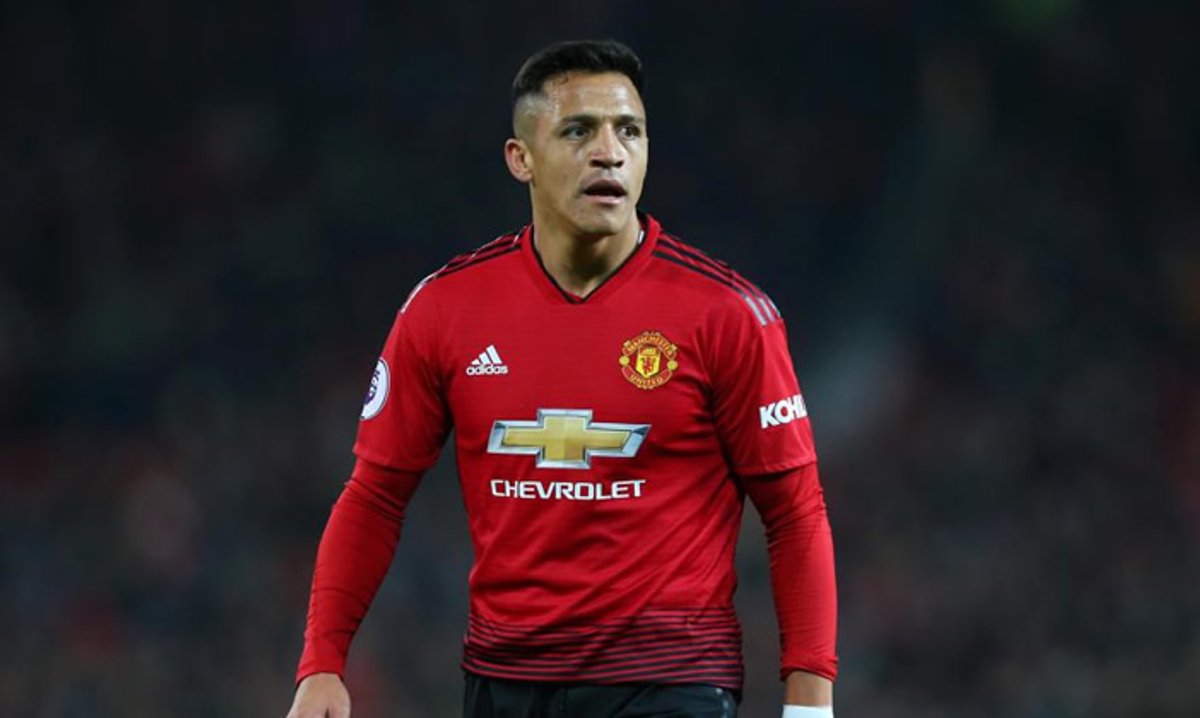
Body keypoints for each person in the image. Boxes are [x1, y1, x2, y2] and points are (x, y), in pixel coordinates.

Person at [286, 39, 838, 718]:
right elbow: (375, 495)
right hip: (503, 681)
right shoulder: (445, 310)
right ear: (521, 158)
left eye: (629, 131)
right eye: (579, 131)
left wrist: (810, 698)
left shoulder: (727, 315)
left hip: (670, 681)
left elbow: (794, 511)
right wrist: (322, 664)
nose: (610, 152)